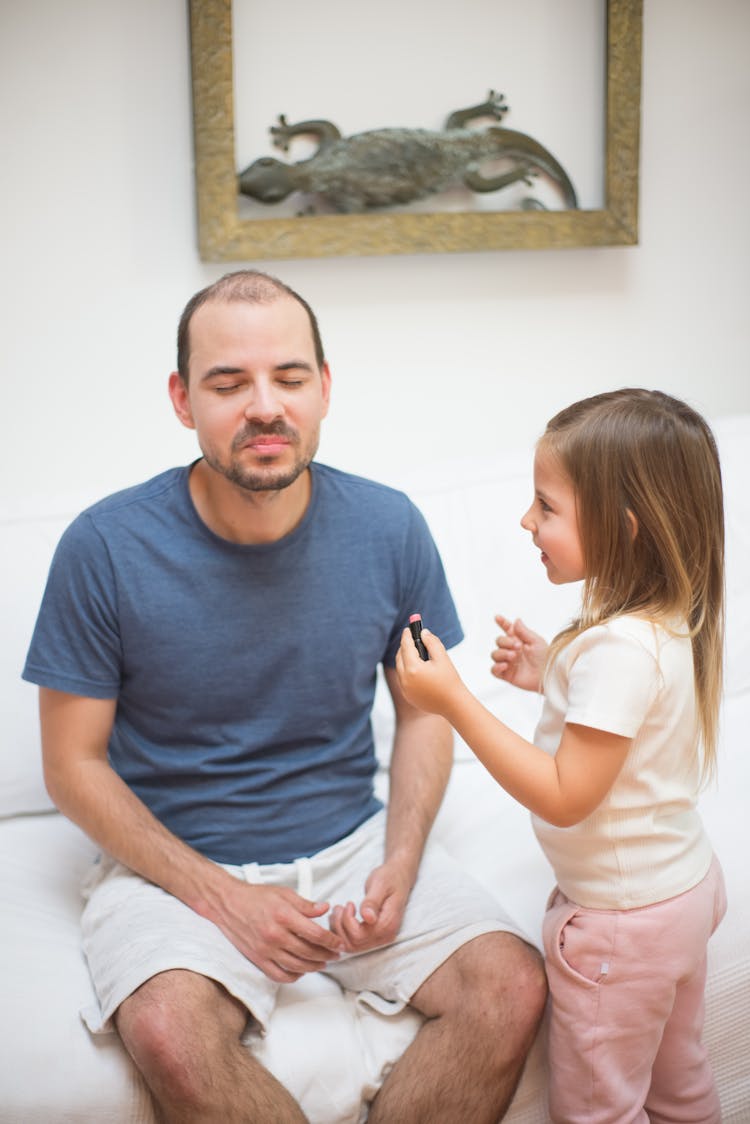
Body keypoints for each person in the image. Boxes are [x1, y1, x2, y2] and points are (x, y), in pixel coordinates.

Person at [22, 269, 546, 1124]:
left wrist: (401, 864)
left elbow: (423, 712)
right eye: (229, 382)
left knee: (511, 985)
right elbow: (72, 766)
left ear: (325, 389)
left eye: (290, 377)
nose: (264, 406)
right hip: (172, 867)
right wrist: (223, 898)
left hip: (351, 843)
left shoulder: (389, 526)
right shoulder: (104, 547)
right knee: (165, 1025)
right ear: (182, 399)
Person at [396, 388, 727, 1124]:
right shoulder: (661, 621)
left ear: (626, 528)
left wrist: (453, 701)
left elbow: (564, 793)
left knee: (598, 1110)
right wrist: (551, 669)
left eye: (545, 506)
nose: (525, 520)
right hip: (682, 890)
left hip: (625, 925)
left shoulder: (616, 648)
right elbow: (631, 714)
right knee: (680, 1084)